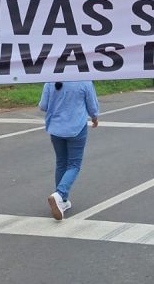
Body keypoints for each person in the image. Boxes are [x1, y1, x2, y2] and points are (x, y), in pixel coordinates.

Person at [40, 79, 100, 221]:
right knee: (74, 165)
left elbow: (43, 106)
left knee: (61, 162)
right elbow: (92, 106)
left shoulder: (50, 81)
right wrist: (95, 118)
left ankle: (63, 201)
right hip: (76, 128)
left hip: (55, 128)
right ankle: (59, 194)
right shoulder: (84, 81)